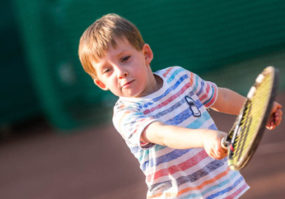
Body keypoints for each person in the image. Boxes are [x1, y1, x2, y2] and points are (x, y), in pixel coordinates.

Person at [78, 13, 283, 198]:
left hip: (222, 183)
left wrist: (259, 108)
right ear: (100, 83)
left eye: (125, 58)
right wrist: (205, 138)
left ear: (146, 54)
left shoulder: (179, 77)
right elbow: (164, 134)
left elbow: (221, 98)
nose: (120, 72)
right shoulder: (126, 114)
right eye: (107, 70)